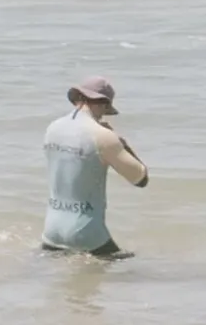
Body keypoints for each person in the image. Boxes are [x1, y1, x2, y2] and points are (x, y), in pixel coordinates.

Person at [43, 78, 151, 257]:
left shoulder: (52, 128)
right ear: (103, 104)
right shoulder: (103, 136)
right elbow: (140, 179)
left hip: (51, 230)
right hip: (86, 232)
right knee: (132, 270)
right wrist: (121, 143)